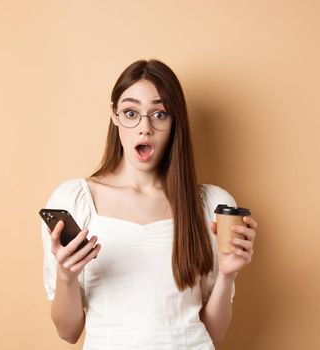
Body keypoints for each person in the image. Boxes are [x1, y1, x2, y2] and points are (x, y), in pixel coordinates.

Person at [40, 59, 258, 349]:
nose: (145, 127)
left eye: (159, 114)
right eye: (131, 112)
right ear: (114, 115)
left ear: (174, 121)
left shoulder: (209, 205)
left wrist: (228, 274)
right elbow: (68, 332)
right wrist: (66, 275)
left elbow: (212, 334)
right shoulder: (74, 201)